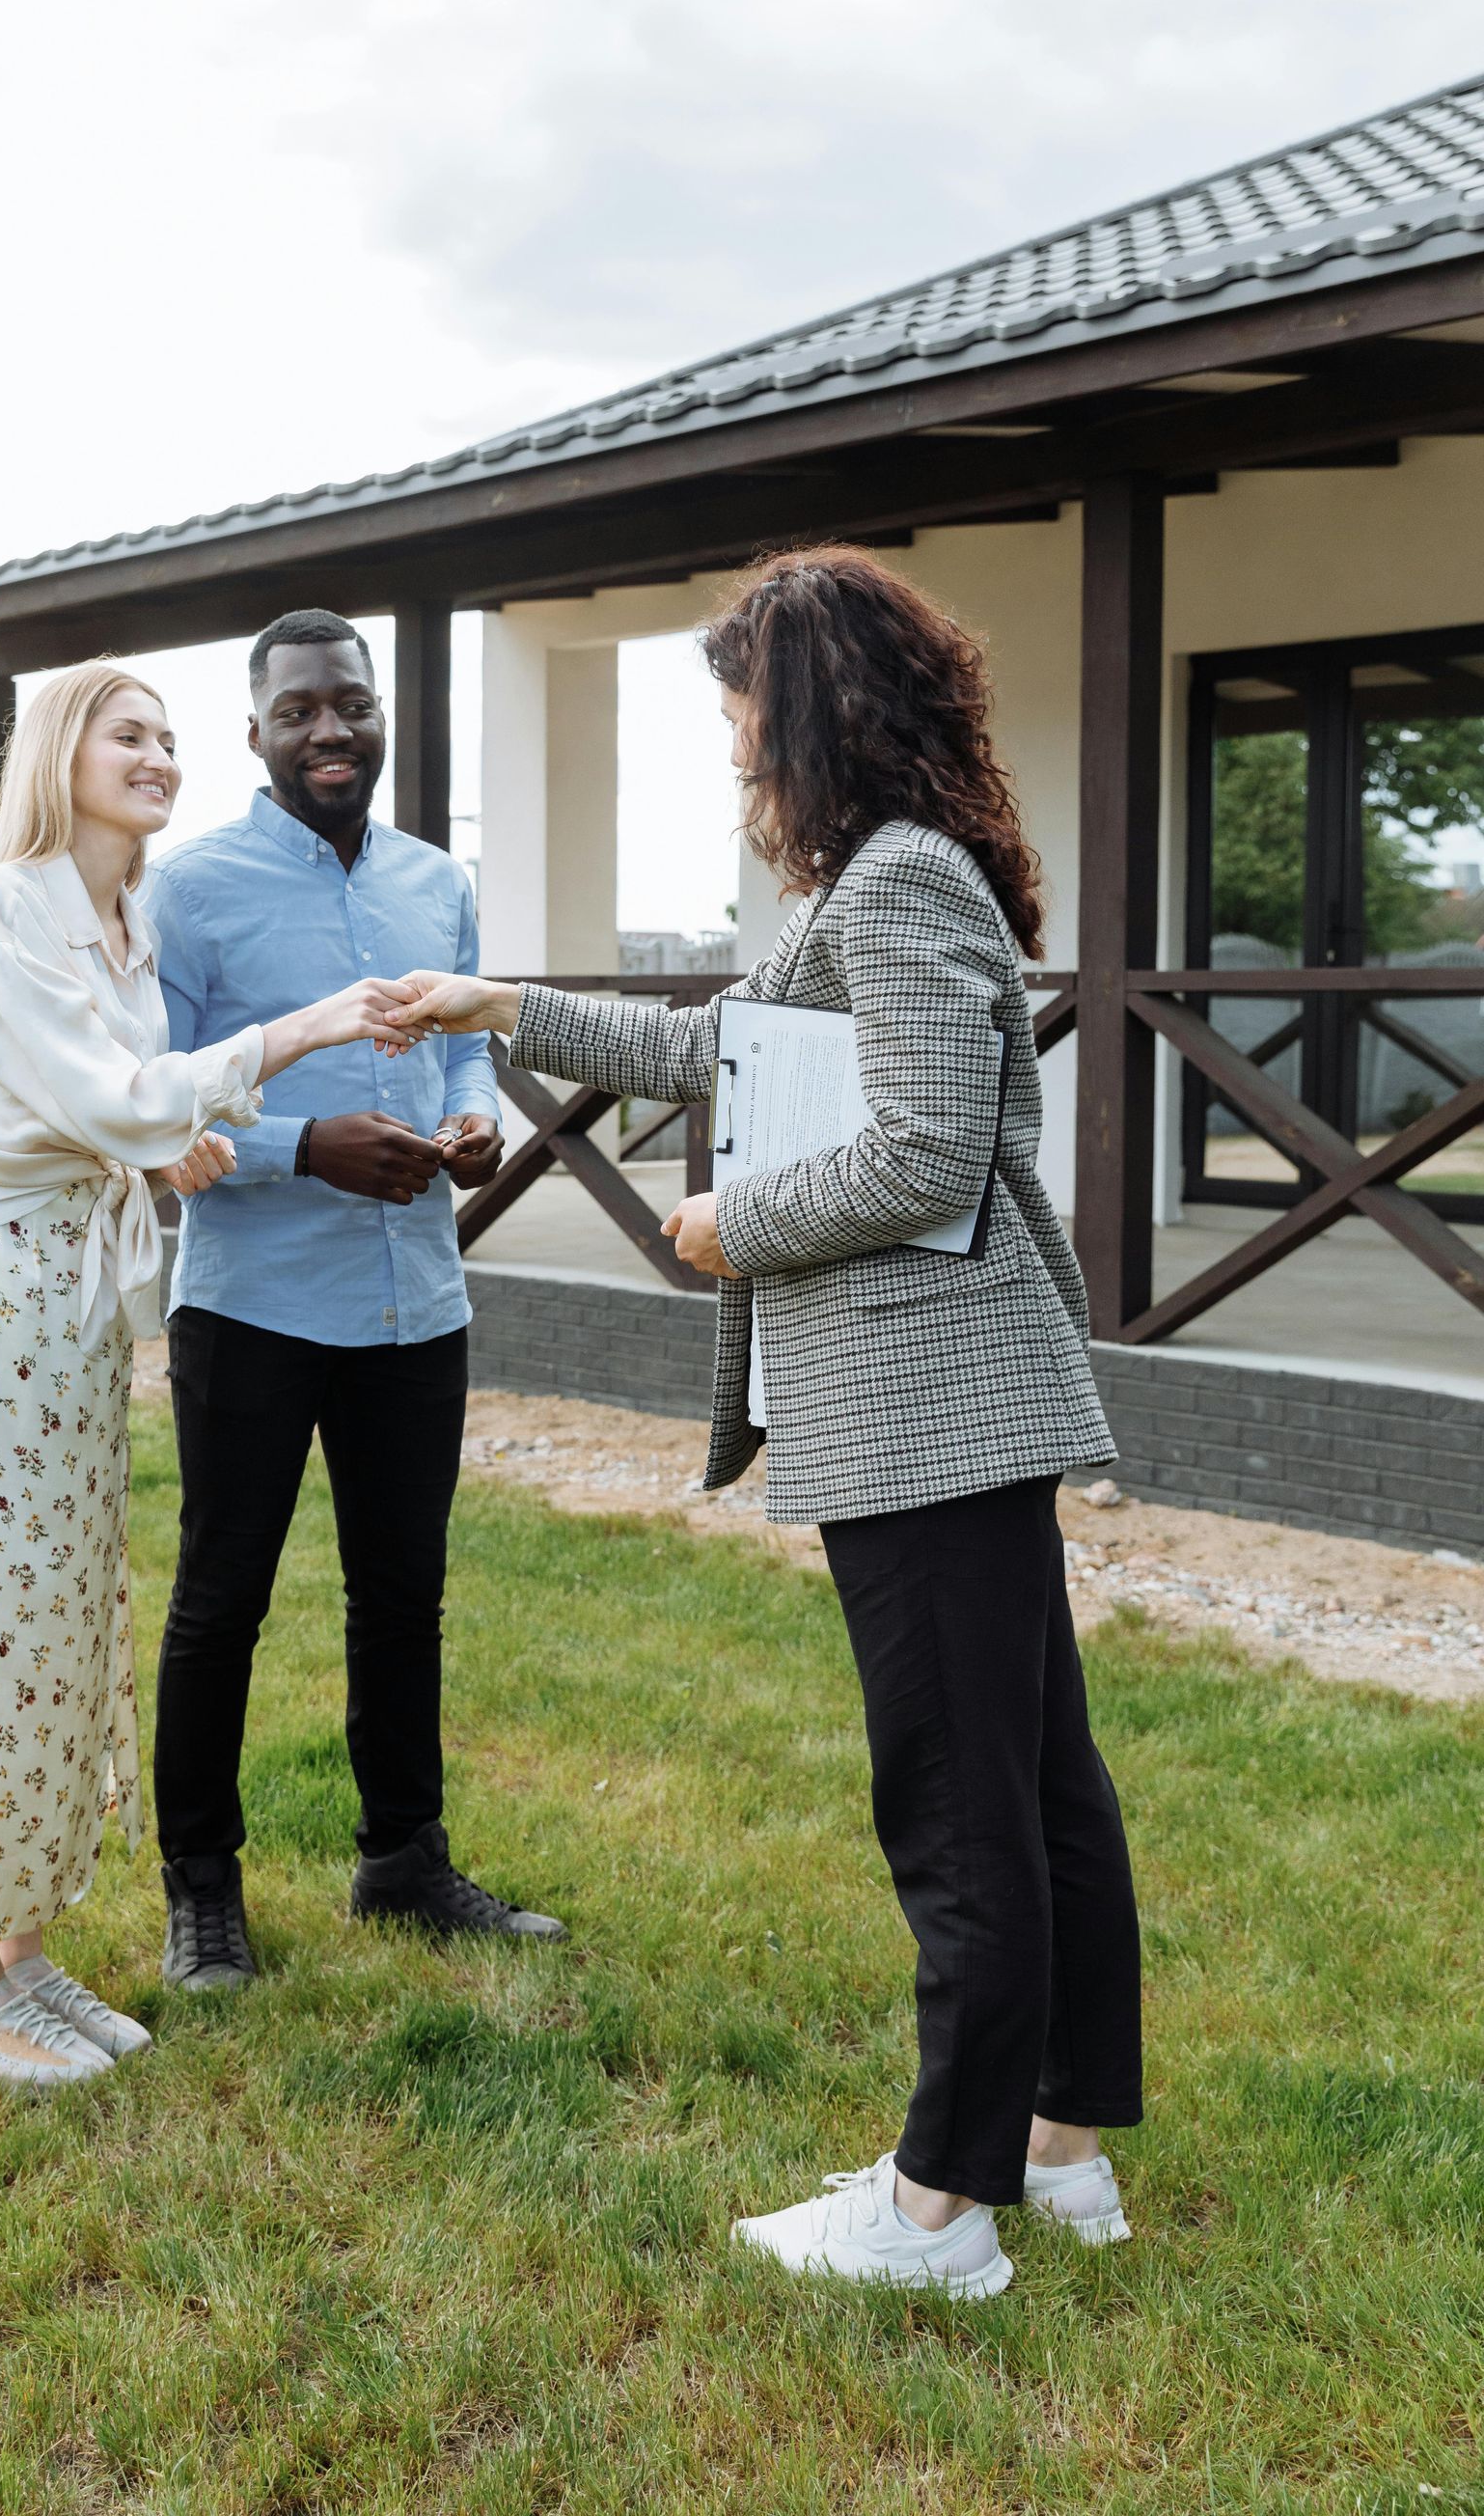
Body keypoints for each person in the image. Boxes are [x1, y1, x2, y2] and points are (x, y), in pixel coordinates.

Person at [399, 548, 1140, 2298]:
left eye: (745, 724)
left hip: (927, 1405)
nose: (737, 759)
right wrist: (507, 1006)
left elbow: (923, 1156)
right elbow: (743, 1046)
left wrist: (740, 1224)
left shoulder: (900, 886)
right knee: (1038, 1791)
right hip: (948, 1405)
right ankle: (1062, 2148)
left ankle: (940, 2213)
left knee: (961, 1808)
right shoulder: (893, 880)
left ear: (818, 715)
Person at [0, 659, 420, 2089]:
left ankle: (20, 1957)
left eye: (171, 740)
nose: (160, 757)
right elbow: (107, 1095)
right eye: (131, 735)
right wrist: (299, 1031)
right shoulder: (4, 901)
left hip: (74, 1300)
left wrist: (162, 1145)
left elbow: (108, 1106)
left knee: (59, 1628)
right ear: (61, 751)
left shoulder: (116, 926)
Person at [147, 608, 565, 1990]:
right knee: (223, 1600)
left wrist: (471, 1118)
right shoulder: (187, 892)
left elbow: (457, 1051)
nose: (331, 731)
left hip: (413, 1308)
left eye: (352, 705)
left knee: (405, 1597)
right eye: (299, 710)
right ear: (255, 731)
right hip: (253, 1302)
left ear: (382, 714)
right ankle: (202, 1889)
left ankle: (404, 1862)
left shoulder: (437, 883)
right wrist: (301, 1143)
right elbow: (160, 1104)